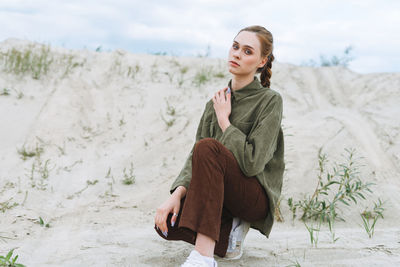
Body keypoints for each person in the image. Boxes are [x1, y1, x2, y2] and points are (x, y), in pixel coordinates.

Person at [154, 25, 285, 267]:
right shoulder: (215, 102)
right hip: (221, 194)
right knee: (167, 226)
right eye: (235, 47)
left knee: (208, 147)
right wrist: (177, 194)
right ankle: (228, 236)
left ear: (261, 61)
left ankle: (203, 257)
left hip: (253, 195)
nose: (236, 54)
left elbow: (253, 162)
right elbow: (196, 156)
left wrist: (225, 121)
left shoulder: (270, 101)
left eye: (247, 51)